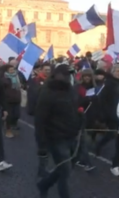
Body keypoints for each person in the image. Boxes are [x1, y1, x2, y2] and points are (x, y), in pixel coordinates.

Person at [35, 63, 82, 198]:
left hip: (72, 134)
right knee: (65, 171)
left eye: (70, 74)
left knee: (66, 167)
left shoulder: (71, 90)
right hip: (56, 137)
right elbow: (40, 119)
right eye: (66, 74)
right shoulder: (48, 92)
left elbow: (74, 109)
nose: (69, 77)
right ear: (57, 75)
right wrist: (41, 144)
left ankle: (44, 184)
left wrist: (81, 118)